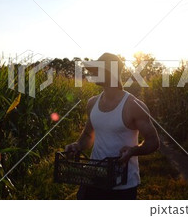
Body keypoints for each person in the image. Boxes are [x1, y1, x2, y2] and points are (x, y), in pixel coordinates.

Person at [65, 52, 160, 200]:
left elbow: (153, 141)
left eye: (98, 70)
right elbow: (88, 136)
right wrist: (77, 145)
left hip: (123, 184)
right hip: (94, 178)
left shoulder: (133, 106)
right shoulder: (92, 103)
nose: (94, 73)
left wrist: (133, 150)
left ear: (110, 72)